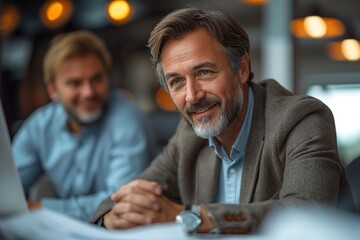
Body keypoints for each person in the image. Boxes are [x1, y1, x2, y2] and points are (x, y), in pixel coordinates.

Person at [92, 8, 350, 234]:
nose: (192, 95)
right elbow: (113, 202)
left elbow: (304, 214)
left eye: (204, 72)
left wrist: (190, 216)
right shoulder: (188, 135)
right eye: (177, 82)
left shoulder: (302, 120)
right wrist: (118, 217)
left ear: (242, 68)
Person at [12, 30, 155, 222]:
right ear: (53, 90)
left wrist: (41, 208)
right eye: (75, 83)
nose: (88, 92)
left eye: (96, 79)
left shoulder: (127, 117)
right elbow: (7, 188)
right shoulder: (40, 125)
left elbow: (122, 201)